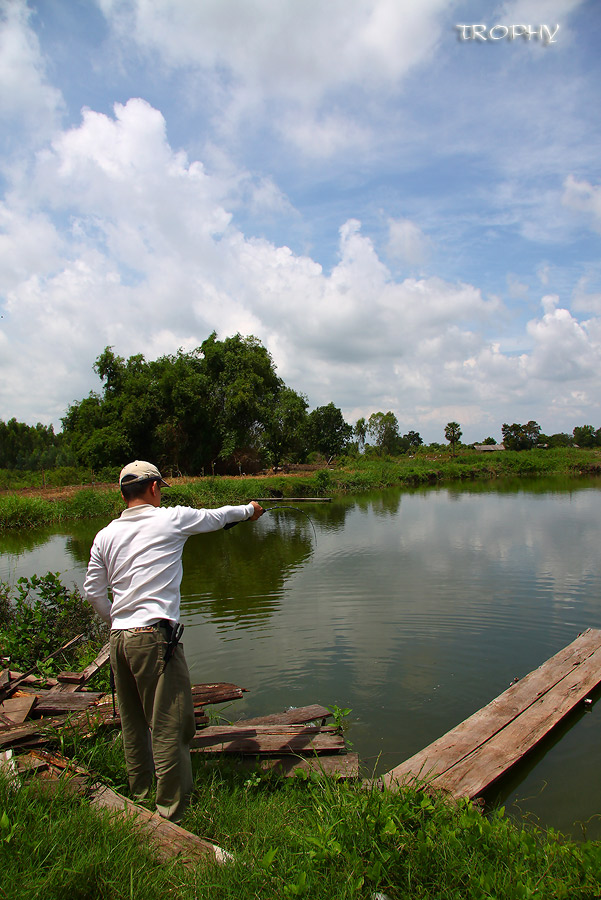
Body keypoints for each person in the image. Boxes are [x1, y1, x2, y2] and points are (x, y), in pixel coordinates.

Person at [83, 460, 263, 822]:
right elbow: (217, 516)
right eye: (161, 488)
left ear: (123, 493)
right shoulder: (169, 519)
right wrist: (250, 510)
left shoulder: (104, 535)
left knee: (134, 724)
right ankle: (172, 813)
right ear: (152, 488)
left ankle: (140, 797)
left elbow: (92, 592)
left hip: (119, 639)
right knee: (170, 725)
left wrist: (119, 620)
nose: (162, 494)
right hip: (154, 639)